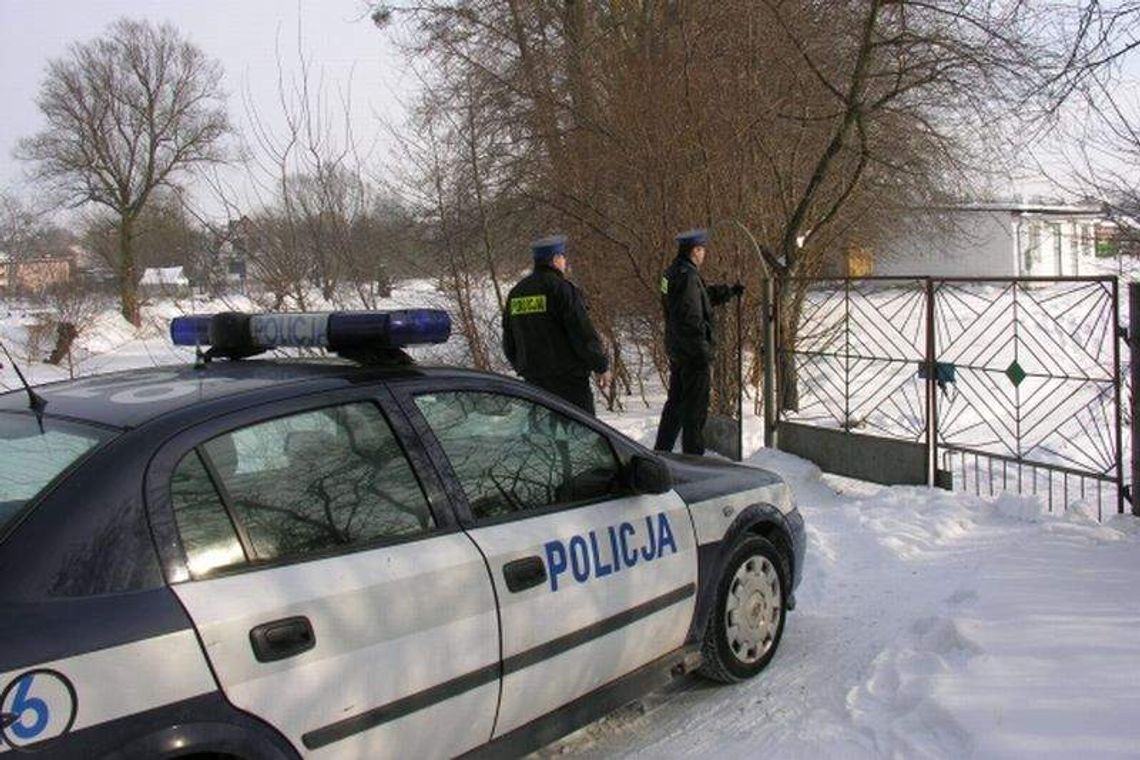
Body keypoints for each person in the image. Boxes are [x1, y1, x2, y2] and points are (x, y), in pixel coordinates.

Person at [654, 228, 743, 455]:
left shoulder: (671, 273)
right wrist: (703, 350)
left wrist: (727, 292)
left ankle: (661, 452)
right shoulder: (688, 276)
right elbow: (690, 316)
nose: (704, 255)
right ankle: (694, 459)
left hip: (678, 350)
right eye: (702, 250)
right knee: (694, 410)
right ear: (696, 250)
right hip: (693, 354)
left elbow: (696, 299)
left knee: (675, 405)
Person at [502, 235, 611, 414]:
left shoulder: (517, 293)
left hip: (534, 380)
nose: (565, 262)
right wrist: (600, 365)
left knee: (544, 435)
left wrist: (524, 366)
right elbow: (581, 331)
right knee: (582, 431)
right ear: (555, 260)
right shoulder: (562, 289)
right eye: (563, 257)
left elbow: (509, 338)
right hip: (568, 379)